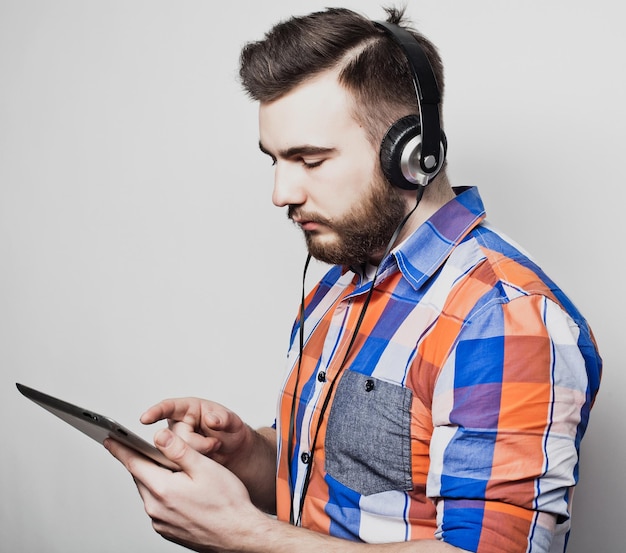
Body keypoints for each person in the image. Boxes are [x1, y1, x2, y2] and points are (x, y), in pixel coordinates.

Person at [105, 6, 602, 553]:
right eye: (274, 159)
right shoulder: (339, 286)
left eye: (309, 160)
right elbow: (345, 489)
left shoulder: (503, 317)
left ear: (412, 156)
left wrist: (241, 535)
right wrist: (249, 452)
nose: (281, 193)